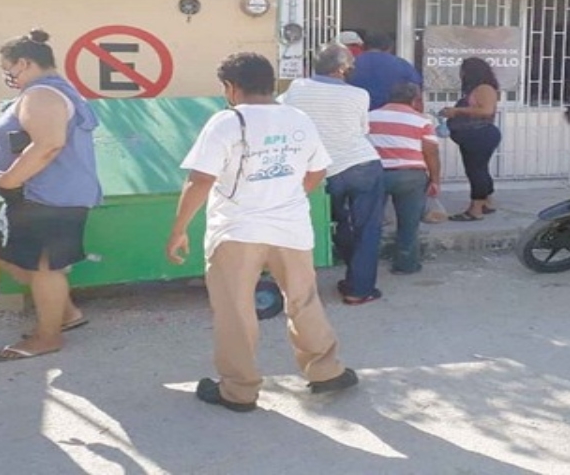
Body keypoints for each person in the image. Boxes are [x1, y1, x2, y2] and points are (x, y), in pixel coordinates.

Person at [166, 52, 358, 412]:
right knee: (303, 300)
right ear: (270, 83)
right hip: (292, 229)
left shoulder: (225, 122)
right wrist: (287, 196)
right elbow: (317, 172)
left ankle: (238, 390)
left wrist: (178, 230)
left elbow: (200, 180)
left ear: (231, 87)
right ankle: (326, 371)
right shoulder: (299, 119)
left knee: (235, 311)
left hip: (236, 232)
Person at [0, 29, 102, 362]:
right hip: (41, 194)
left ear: (24, 62)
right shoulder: (52, 92)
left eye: (8, 69)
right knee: (4, 252)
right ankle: (65, 313)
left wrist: (8, 181)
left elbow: (48, 144)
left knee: (44, 268)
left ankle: (47, 337)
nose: (8, 77)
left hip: (46, 195)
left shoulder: (43, 94)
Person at [279, 44, 386, 305]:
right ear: (341, 69)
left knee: (337, 222)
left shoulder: (295, 88)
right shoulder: (359, 94)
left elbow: (284, 116)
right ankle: (358, 289)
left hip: (321, 171)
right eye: (349, 66)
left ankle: (349, 275)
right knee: (367, 228)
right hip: (362, 165)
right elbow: (362, 129)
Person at [368, 82, 442, 274]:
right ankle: (406, 265)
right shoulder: (422, 121)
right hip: (411, 176)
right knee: (409, 224)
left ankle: (366, 266)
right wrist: (435, 180)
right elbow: (431, 153)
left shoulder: (369, 117)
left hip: (375, 174)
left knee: (371, 223)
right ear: (415, 99)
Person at [440, 57, 502, 221]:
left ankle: (476, 209)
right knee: (480, 169)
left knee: (476, 171)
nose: (461, 74)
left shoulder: (484, 89)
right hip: (474, 136)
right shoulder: (475, 90)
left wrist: (457, 112)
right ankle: (486, 202)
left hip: (480, 135)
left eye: (463, 70)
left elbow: (486, 111)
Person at [348, 32, 423, 110]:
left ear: (364, 46)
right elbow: (416, 90)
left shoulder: (351, 63)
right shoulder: (402, 65)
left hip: (356, 112)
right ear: (389, 47)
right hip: (391, 114)